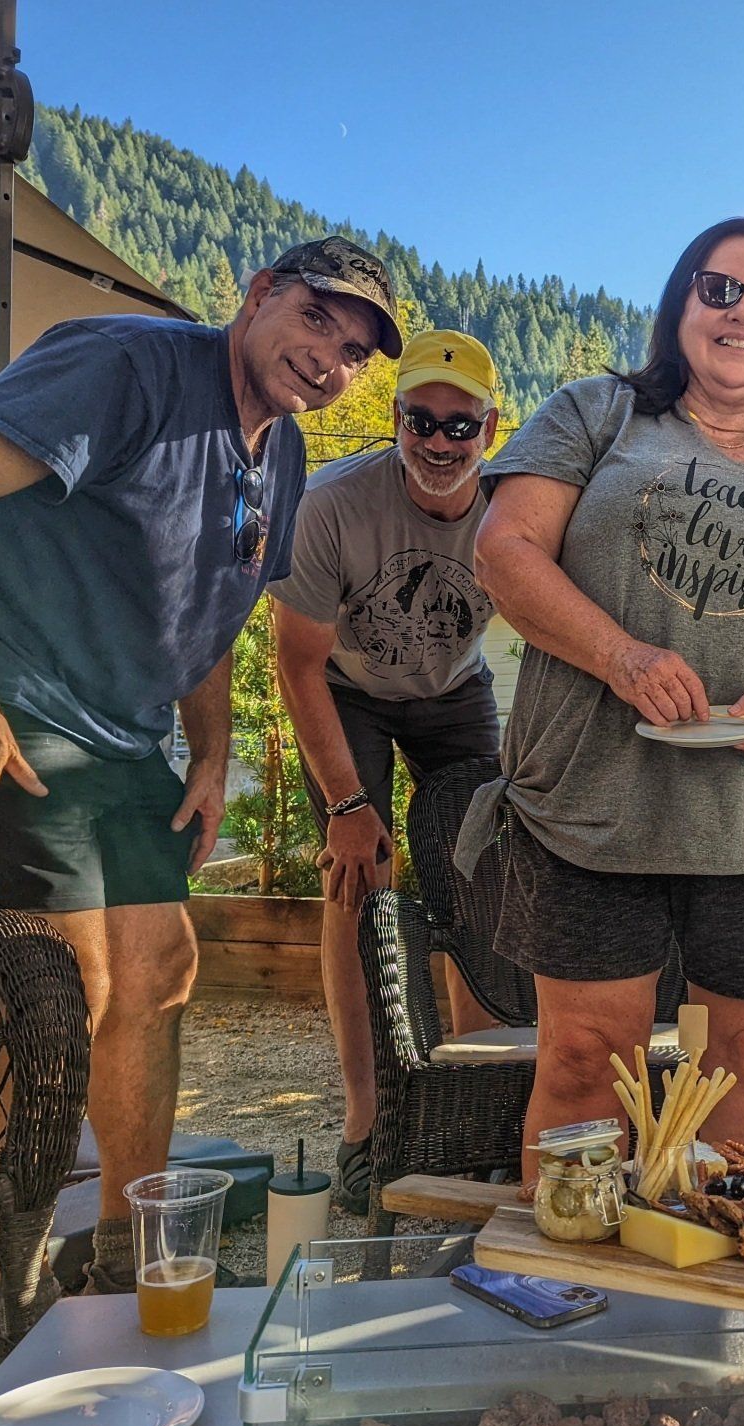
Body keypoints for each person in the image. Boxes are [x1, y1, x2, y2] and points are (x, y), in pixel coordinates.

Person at [0, 235, 403, 1291]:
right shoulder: (122, 368)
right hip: (8, 696)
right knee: (60, 985)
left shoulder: (285, 454)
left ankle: (128, 1259)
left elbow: (219, 603)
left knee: (158, 975)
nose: (328, 361)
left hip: (123, 729)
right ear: (256, 295)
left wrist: (210, 753)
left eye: (353, 353)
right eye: (315, 321)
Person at [473, 218, 744, 1172]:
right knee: (588, 1056)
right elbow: (504, 552)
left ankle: (735, 1301)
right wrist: (621, 656)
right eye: (718, 289)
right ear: (680, 306)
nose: (743, 313)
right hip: (591, 803)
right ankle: (578, 1284)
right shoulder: (600, 413)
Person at [269, 328, 505, 1214]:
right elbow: (295, 665)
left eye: (461, 428)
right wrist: (348, 804)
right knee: (357, 879)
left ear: (489, 428)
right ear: (397, 420)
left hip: (455, 691)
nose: (439, 444)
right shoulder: (332, 505)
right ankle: (368, 1122)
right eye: (421, 421)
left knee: (482, 878)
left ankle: (479, 1104)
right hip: (349, 689)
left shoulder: (517, 508)